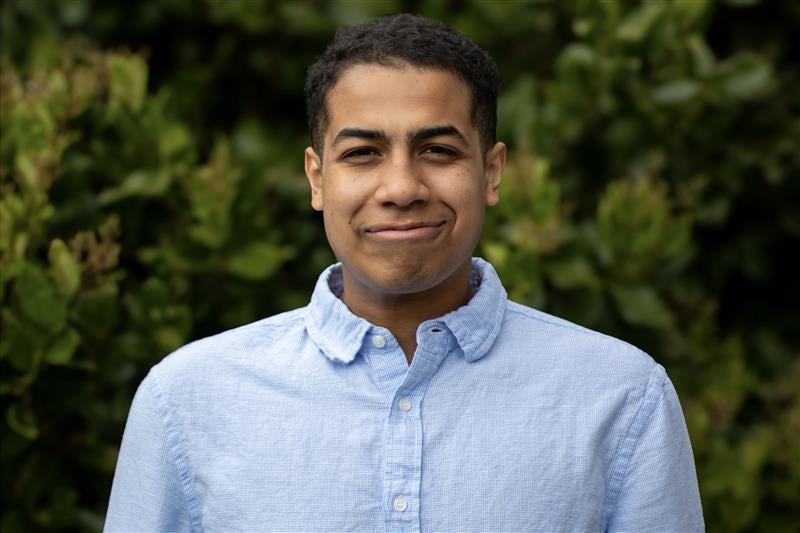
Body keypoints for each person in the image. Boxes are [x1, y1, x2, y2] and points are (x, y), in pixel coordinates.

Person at [105, 14, 704, 532]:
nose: (400, 189)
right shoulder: (186, 400)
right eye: (362, 153)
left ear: (492, 172)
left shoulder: (623, 398)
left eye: (438, 151)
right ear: (317, 178)